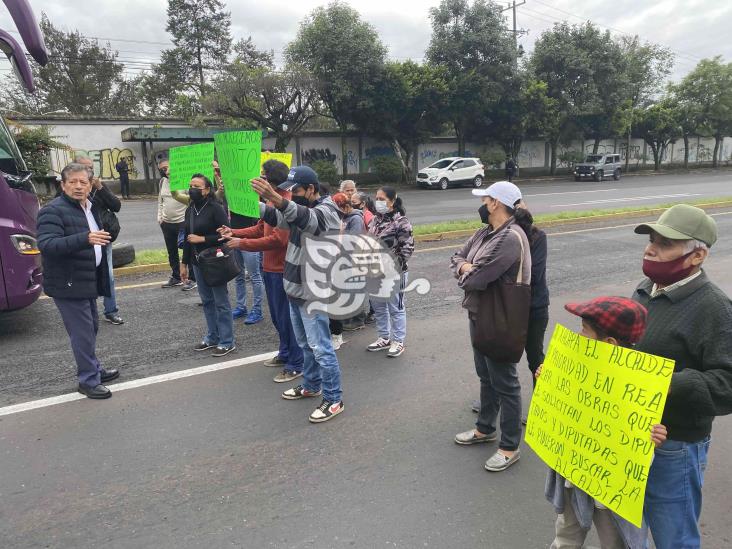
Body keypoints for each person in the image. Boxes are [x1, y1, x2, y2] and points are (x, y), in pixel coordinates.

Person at [631, 204, 732, 549]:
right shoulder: (646, 289)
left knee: (674, 537)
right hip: (632, 436)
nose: (650, 248)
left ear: (697, 255)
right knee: (630, 530)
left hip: (676, 445)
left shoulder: (714, 308)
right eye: (651, 240)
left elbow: (727, 384)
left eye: (664, 243)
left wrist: (667, 383)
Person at [541, 296, 666, 549]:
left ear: (608, 343)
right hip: (573, 475)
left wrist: (654, 439)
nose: (579, 335)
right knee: (566, 535)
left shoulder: (640, 386)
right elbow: (559, 410)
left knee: (615, 541)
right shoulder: (577, 366)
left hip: (610, 491)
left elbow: (642, 439)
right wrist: (549, 382)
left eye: (585, 331)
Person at [251, 166, 345, 423]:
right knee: (305, 345)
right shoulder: (300, 208)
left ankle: (334, 399)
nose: (293, 194)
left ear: (312, 189)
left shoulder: (328, 212)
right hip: (295, 290)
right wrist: (247, 201)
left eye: (297, 190)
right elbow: (279, 217)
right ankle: (312, 386)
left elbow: (305, 218)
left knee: (321, 348)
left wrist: (276, 198)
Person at [450, 181, 531, 472]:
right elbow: (457, 257)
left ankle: (510, 446)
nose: (482, 203)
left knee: (505, 383)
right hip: (480, 313)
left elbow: (477, 279)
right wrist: (465, 266)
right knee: (486, 375)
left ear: (496, 203)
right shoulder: (485, 232)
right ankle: (485, 428)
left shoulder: (510, 237)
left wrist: (468, 270)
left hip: (500, 318)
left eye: (485, 199)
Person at [37, 163, 119, 399]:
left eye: (83, 182)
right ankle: (88, 381)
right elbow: (47, 245)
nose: (78, 186)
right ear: (63, 185)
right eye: (72, 181)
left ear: (90, 184)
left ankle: (93, 369)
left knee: (91, 327)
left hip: (87, 279)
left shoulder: (90, 208)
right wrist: (85, 238)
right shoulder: (53, 210)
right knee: (82, 333)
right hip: (68, 282)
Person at [218, 159, 304, 384]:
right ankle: (285, 353)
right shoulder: (271, 202)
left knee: (286, 318)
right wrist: (234, 232)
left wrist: (241, 243)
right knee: (277, 316)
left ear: (271, 181)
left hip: (282, 269)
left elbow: (278, 239)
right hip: (270, 268)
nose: (258, 180)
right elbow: (259, 228)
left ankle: (296, 364)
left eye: (262, 176)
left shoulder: (285, 204)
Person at [471, 199, 549, 414]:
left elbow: (534, 274)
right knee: (498, 358)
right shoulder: (494, 234)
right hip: (504, 307)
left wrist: (492, 275)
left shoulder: (536, 236)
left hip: (532, 308)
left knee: (535, 358)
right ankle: (491, 401)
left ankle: (540, 407)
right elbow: (474, 264)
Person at [181, 174, 236, 357]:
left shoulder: (215, 208)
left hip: (214, 261)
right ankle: (212, 336)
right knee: (207, 301)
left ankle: (227, 340)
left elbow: (226, 234)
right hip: (198, 262)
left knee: (221, 302)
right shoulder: (190, 210)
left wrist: (203, 238)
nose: (192, 189)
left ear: (206, 190)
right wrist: (184, 263)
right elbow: (188, 239)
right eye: (190, 185)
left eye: (196, 186)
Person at [75, 154, 124, 326]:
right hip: (81, 239)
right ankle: (87, 311)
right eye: (85, 167)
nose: (90, 171)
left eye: (91, 167)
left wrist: (101, 188)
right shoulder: (72, 187)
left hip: (102, 238)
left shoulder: (98, 187)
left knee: (108, 275)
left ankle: (111, 310)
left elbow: (116, 206)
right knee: (85, 275)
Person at [366, 186, 414, 358]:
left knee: (396, 307)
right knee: (378, 307)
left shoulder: (401, 222)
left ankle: (398, 341)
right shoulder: (374, 221)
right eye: (376, 198)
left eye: (382, 199)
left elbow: (407, 248)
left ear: (392, 201)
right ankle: (384, 337)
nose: (378, 202)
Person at [214, 161, 264, 325]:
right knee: (238, 275)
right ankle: (241, 306)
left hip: (249, 237)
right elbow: (218, 196)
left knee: (255, 276)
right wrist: (219, 178)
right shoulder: (228, 191)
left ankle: (257, 310)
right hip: (233, 236)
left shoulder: (252, 190)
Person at [157, 159, 191, 289]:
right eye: (162, 169)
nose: (165, 172)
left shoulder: (184, 180)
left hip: (182, 222)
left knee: (188, 251)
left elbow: (191, 200)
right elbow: (160, 201)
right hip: (167, 223)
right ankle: (176, 276)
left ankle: (191, 279)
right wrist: (160, 217)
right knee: (172, 252)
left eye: (166, 168)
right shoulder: (162, 182)